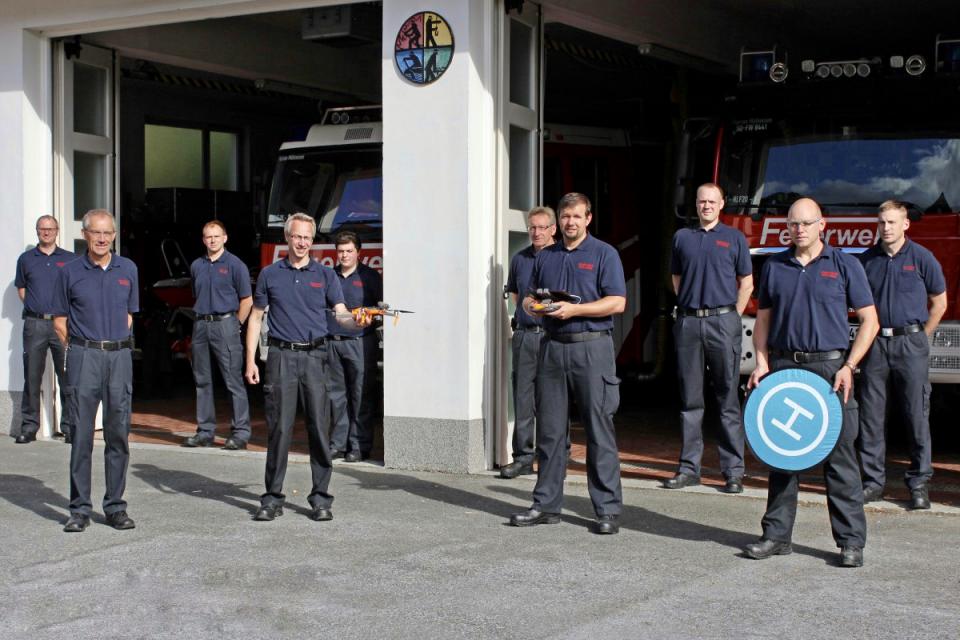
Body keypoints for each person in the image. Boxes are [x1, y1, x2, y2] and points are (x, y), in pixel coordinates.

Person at [744, 197, 878, 567]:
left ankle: (851, 542)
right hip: (787, 367)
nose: (799, 229)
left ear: (822, 226)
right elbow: (764, 321)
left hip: (831, 372)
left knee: (840, 460)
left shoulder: (845, 264)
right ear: (787, 226)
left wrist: (850, 365)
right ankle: (776, 536)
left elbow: (870, 321)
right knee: (782, 458)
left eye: (806, 223)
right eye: (793, 223)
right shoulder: (774, 267)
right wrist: (762, 362)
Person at [510, 193, 627, 534]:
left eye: (576, 216)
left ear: (588, 218)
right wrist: (534, 308)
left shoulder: (605, 254)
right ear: (558, 220)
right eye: (565, 217)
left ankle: (606, 510)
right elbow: (529, 297)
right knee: (549, 431)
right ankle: (546, 504)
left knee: (598, 429)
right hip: (553, 348)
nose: (570, 223)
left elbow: (617, 302)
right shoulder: (546, 257)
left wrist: (575, 310)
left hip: (592, 348)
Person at [244, 213, 367, 522]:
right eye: (297, 236)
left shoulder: (325, 276)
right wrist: (249, 360)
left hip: (316, 358)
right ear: (288, 238)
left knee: (319, 430)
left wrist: (358, 318)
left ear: (313, 241)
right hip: (281, 359)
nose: (302, 242)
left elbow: (340, 313)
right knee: (280, 430)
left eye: (307, 238)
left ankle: (321, 498)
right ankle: (272, 498)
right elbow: (256, 317)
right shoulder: (271, 274)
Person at [856, 200, 947, 510]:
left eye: (892, 222)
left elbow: (940, 302)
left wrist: (923, 336)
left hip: (911, 345)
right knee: (871, 416)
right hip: (876, 345)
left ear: (905, 225)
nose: (886, 227)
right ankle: (872, 482)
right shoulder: (867, 261)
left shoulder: (923, 258)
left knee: (915, 414)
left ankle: (919, 483)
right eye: (882, 222)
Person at [52, 209, 139, 532]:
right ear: (85, 235)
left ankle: (115, 507)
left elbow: (130, 316)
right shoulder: (70, 271)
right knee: (82, 436)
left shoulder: (127, 269)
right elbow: (60, 322)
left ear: (114, 235)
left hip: (118, 357)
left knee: (118, 435)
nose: (102, 239)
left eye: (107, 233)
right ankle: (79, 510)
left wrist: (111, 344)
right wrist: (84, 348)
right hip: (84, 357)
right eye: (96, 233)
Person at [665, 183, 752, 493]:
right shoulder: (682, 237)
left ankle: (733, 472)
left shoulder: (734, 238)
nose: (706, 206)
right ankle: (689, 468)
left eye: (712, 201)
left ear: (722, 203)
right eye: (701, 201)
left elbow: (747, 283)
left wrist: (732, 316)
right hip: (689, 322)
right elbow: (676, 278)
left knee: (728, 398)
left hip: (723, 322)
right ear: (696, 204)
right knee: (690, 400)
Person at [183, 220, 253, 450]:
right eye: (207, 236)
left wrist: (236, 325)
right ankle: (205, 432)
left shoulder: (236, 265)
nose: (212, 240)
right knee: (202, 380)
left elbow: (247, 300)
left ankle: (240, 433)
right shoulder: (196, 266)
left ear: (225, 238)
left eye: (216, 236)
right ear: (203, 240)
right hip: (201, 324)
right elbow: (196, 294)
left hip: (226, 324)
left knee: (233, 380)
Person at [500, 206, 556, 479]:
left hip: (552, 337)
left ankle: (555, 457)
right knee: (522, 398)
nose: (536, 232)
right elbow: (514, 294)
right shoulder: (519, 258)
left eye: (542, 227)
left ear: (553, 229)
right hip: (524, 335)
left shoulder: (561, 258)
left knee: (553, 400)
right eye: (532, 227)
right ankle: (522, 457)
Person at [14, 215, 77, 444]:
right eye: (42, 229)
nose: (46, 232)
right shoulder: (26, 259)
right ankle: (29, 427)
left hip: (63, 323)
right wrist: (37, 309)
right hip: (35, 324)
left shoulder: (70, 259)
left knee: (68, 376)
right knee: (31, 377)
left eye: (50, 229)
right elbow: (21, 289)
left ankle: (70, 427)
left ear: (57, 231)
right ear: (37, 231)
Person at [327, 230, 382, 462]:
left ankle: (359, 446)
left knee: (361, 395)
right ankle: (338, 444)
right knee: (336, 396)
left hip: (361, 343)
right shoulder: (329, 276)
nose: (345, 255)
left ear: (358, 253)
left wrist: (373, 317)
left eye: (349, 251)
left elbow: (380, 309)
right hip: (333, 343)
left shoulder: (370, 277)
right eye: (341, 251)